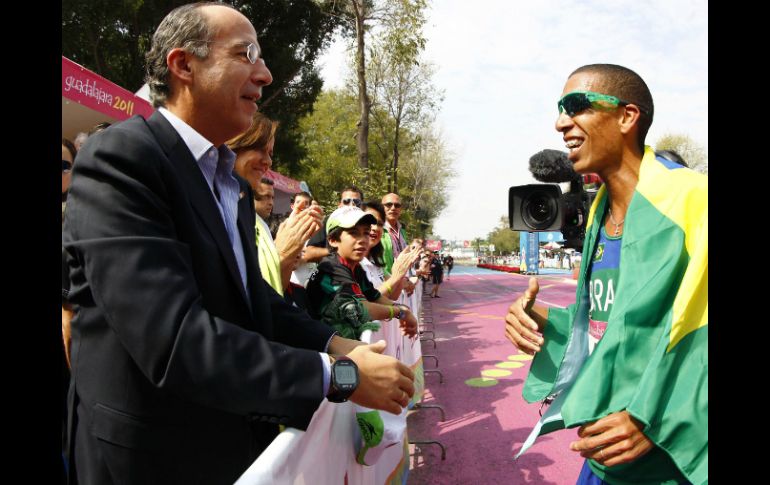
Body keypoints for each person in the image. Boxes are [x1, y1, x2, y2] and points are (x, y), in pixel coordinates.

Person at [62, 4, 414, 484]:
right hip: (149, 458)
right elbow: (173, 340)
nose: (265, 74)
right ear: (183, 64)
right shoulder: (124, 158)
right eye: (246, 53)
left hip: (230, 438)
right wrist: (339, 376)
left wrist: (337, 343)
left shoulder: (228, 183)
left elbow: (255, 301)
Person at [504, 64, 707, 485]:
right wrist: (538, 317)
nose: (561, 123)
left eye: (576, 106)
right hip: (604, 455)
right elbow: (616, 326)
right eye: (560, 110)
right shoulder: (598, 212)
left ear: (627, 117)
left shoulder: (692, 198)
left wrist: (658, 416)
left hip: (671, 459)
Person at [226, 114, 323, 295]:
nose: (268, 162)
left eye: (270, 153)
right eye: (260, 149)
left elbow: (275, 292)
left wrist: (290, 250)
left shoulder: (258, 224)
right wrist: (283, 252)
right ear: (233, 146)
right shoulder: (214, 211)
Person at [305, 206, 418, 341]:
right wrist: (400, 312)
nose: (363, 239)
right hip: (324, 349)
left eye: (365, 233)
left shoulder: (355, 266)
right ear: (333, 240)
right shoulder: (332, 267)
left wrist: (401, 309)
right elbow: (363, 309)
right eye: (354, 233)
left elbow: (374, 296)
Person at [360, 200, 420, 301]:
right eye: (369, 222)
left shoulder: (375, 261)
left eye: (379, 224)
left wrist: (402, 270)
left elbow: (392, 296)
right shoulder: (352, 264)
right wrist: (396, 275)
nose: (374, 228)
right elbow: (366, 302)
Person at [304, 185, 365, 263]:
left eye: (356, 202)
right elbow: (309, 253)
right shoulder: (329, 221)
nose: (352, 205)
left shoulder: (369, 223)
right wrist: (339, 251)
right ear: (339, 205)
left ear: (362, 205)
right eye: (346, 201)